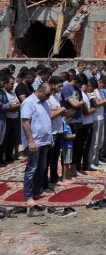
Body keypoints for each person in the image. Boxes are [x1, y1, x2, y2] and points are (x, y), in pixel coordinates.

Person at [21, 83, 53, 216]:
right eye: (47, 94)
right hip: (35, 142)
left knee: (42, 167)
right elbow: (25, 122)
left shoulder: (44, 102)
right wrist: (31, 141)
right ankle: (28, 196)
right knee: (31, 169)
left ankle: (38, 191)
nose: (48, 97)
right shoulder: (29, 102)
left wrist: (50, 138)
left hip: (44, 141)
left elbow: (47, 120)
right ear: (40, 91)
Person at [59, 109, 76, 186]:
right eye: (71, 118)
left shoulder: (66, 123)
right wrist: (73, 136)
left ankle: (67, 176)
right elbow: (65, 136)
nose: (71, 120)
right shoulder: (64, 123)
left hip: (69, 145)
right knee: (66, 162)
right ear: (68, 116)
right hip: (66, 145)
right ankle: (64, 178)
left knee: (68, 161)